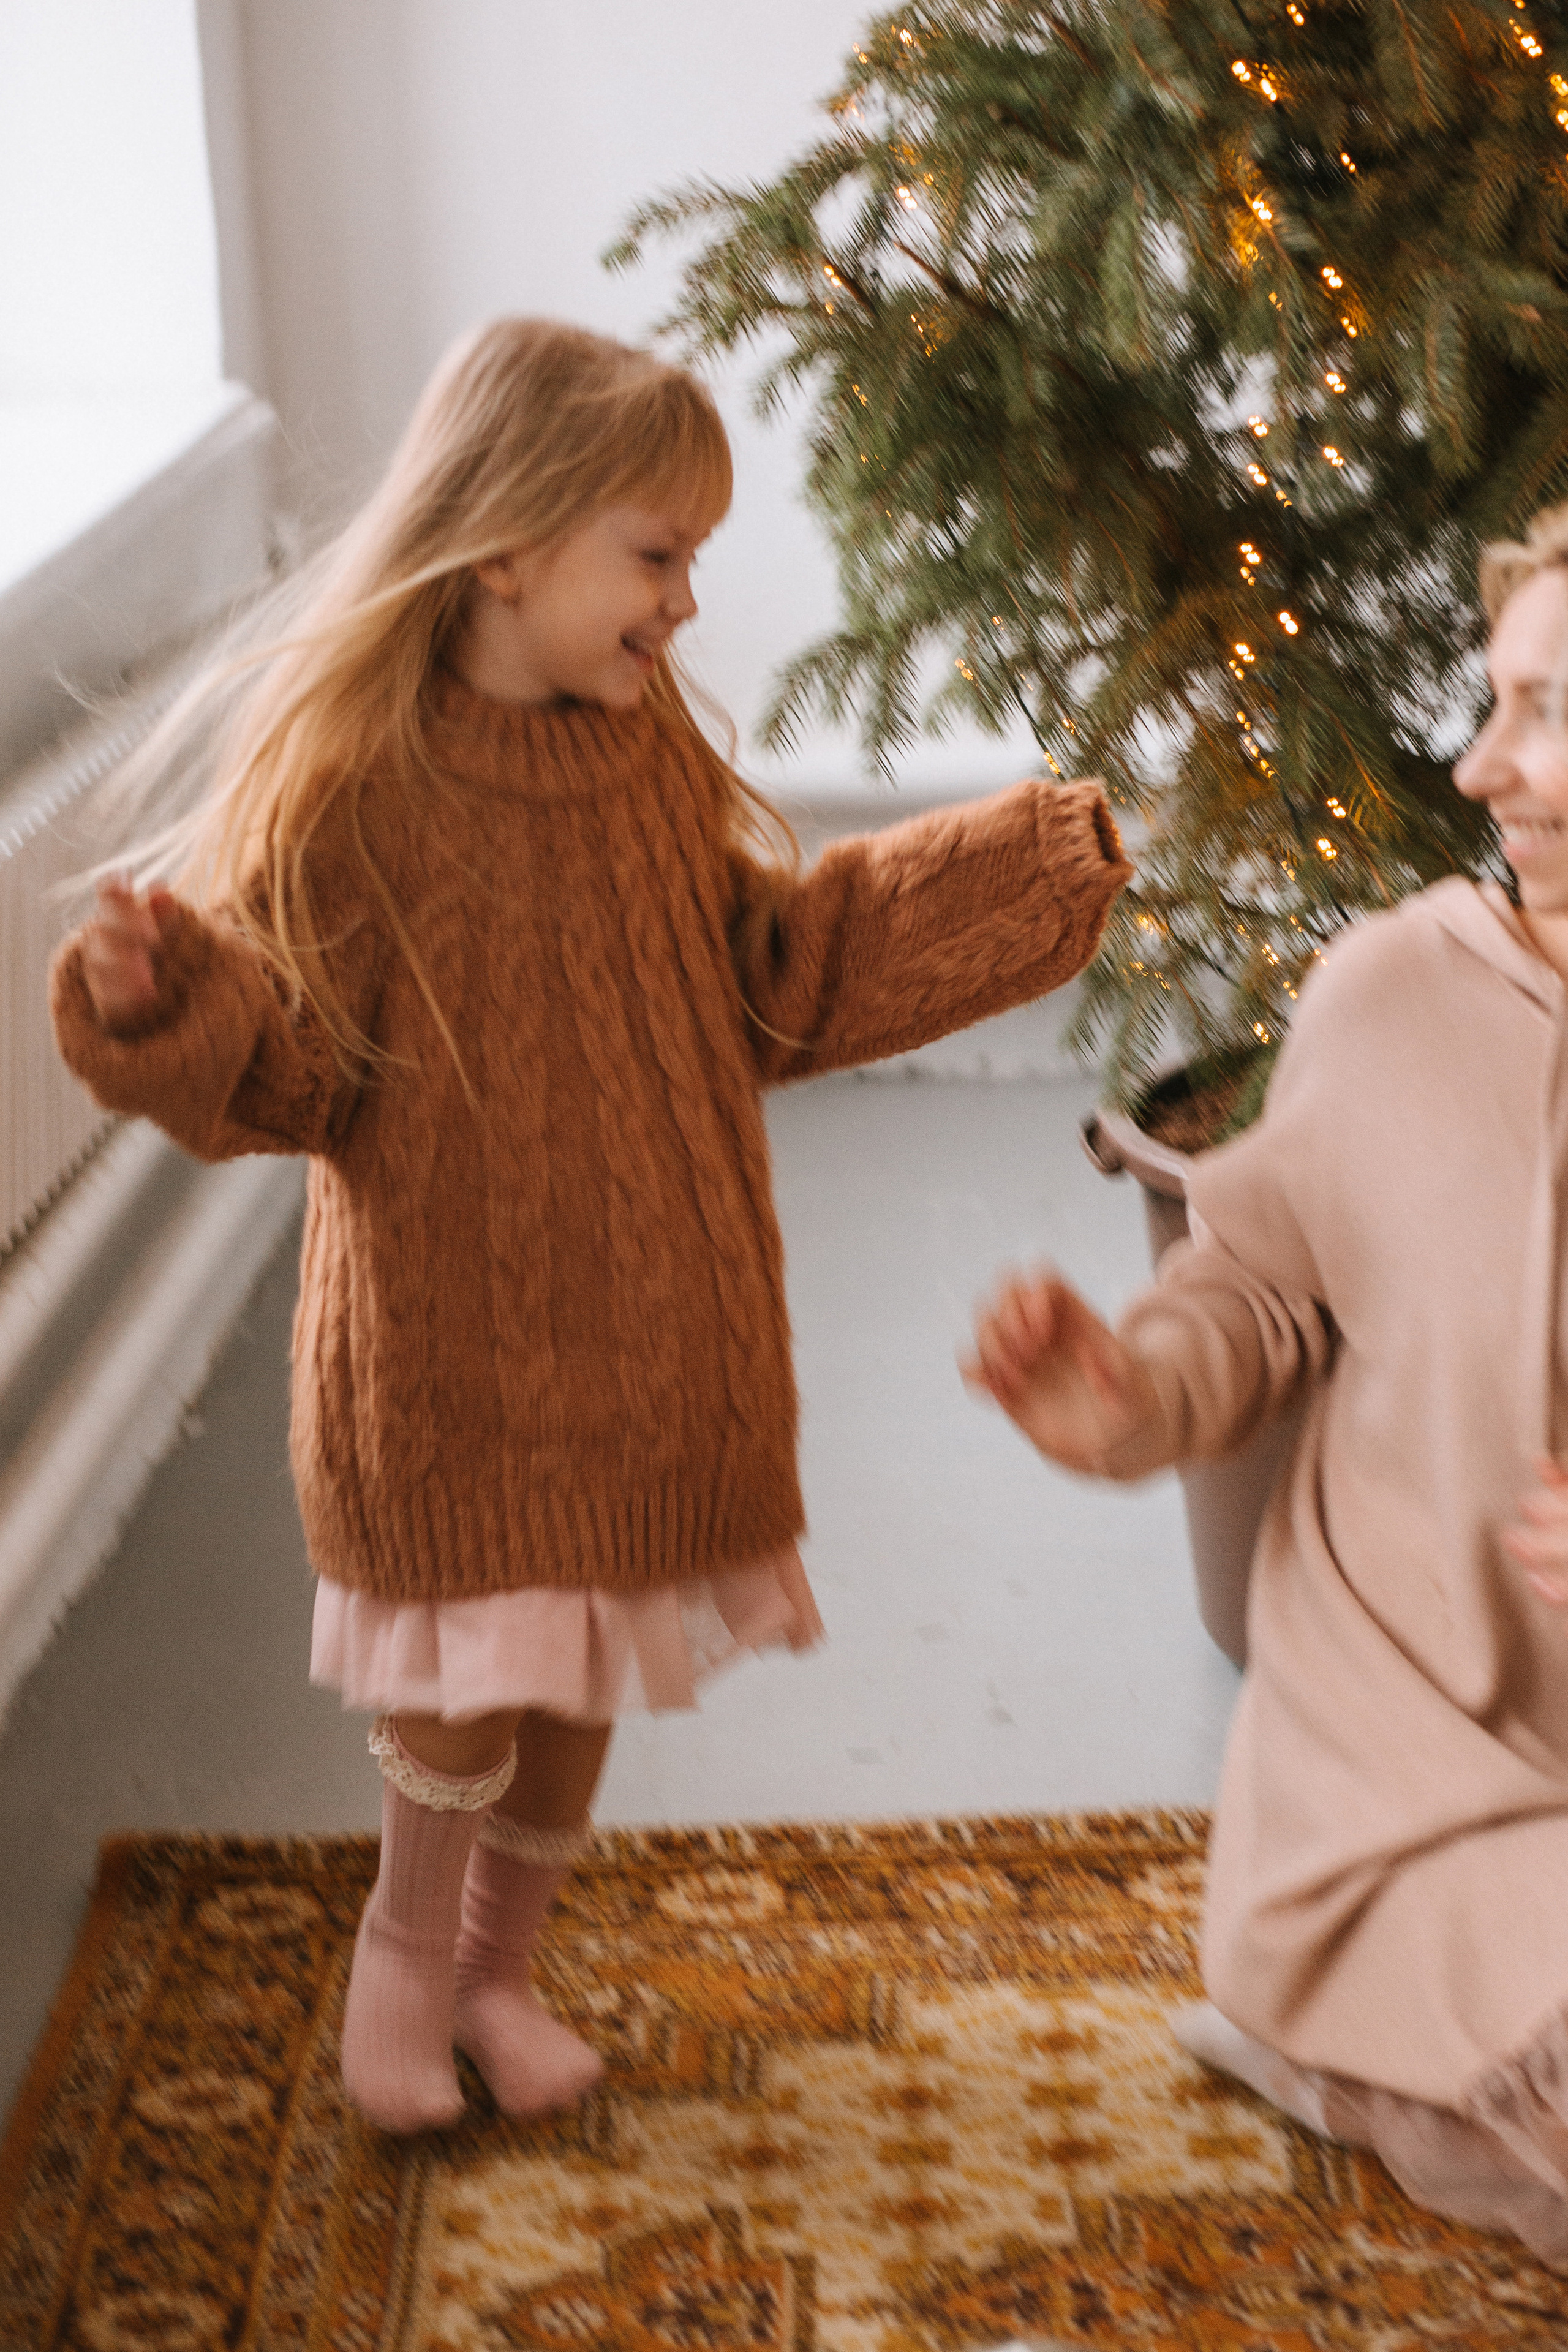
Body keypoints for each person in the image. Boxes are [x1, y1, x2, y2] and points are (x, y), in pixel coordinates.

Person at [50, 318, 1129, 2135]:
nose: (689, 602)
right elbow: (292, 1064)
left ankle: (498, 1970)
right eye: (659, 555)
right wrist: (163, 1002)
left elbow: (772, 980)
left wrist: (1010, 873)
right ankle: (406, 1958)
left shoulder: (645, 763)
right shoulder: (364, 793)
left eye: (694, 559)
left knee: (578, 1685)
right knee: (467, 1697)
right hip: (454, 1358)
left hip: (654, 1340)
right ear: (508, 546)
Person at [962, 500, 1568, 2267]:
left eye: (1548, 714)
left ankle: (1401, 2068)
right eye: (1496, 699)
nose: (1478, 765)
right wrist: (1131, 1397)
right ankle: (1377, 2029)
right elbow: (1255, 1285)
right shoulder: (1396, 996)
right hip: (1417, 1787)